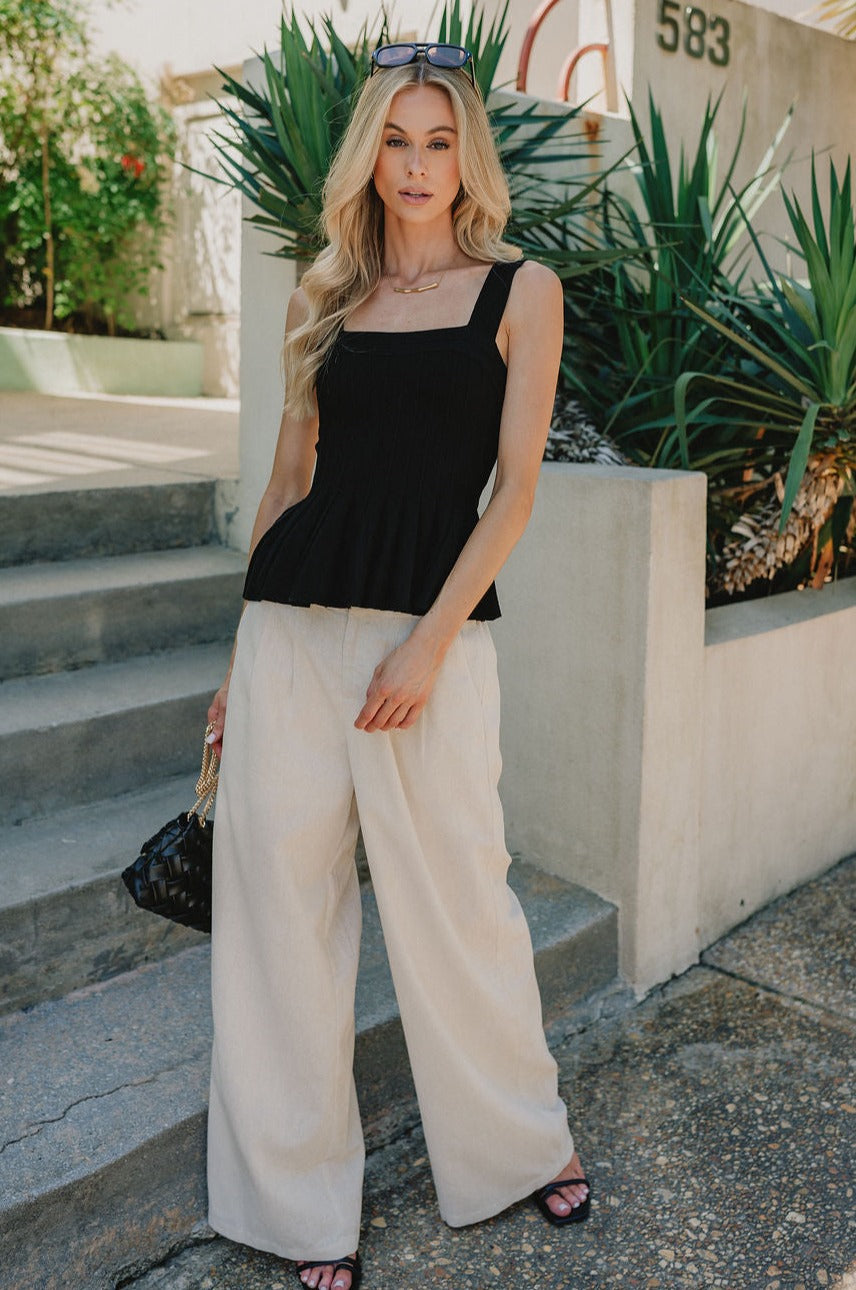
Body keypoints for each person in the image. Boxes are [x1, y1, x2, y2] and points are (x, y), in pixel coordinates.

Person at [204, 40, 590, 1290]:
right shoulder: (322, 289)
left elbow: (516, 489)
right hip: (292, 633)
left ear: (464, 154)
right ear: (366, 151)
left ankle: (518, 1145)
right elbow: (285, 483)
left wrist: (430, 636)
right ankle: (295, 1208)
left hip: (429, 635)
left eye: (437, 141)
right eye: (394, 139)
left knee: (460, 900)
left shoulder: (520, 289)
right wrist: (231, 667)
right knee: (278, 911)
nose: (415, 166)